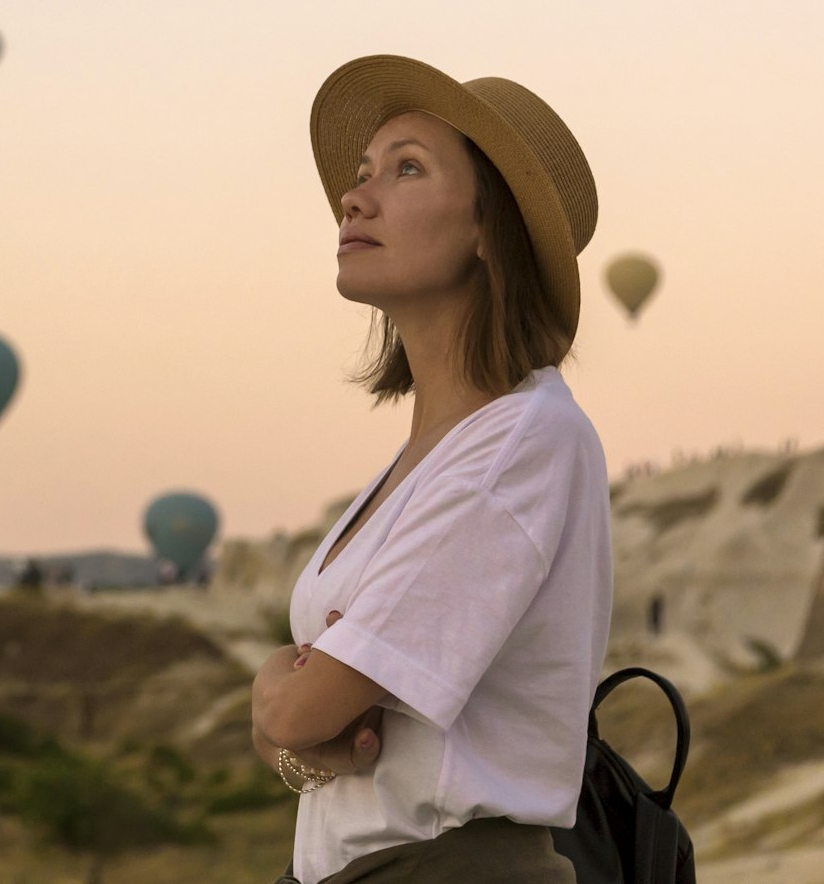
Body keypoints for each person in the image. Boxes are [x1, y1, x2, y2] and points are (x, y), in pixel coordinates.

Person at [249, 56, 613, 883]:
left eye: (406, 168)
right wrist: (287, 716)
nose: (355, 196)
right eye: (363, 171)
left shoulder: (523, 441)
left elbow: (302, 711)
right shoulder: (434, 455)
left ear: (491, 229)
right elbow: (301, 734)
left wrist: (275, 692)